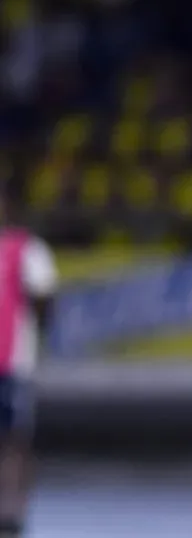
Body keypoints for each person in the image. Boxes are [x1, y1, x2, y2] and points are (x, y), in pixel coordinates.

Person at [0, 199, 58, 538]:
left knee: (14, 439)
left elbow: (45, 296)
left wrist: (36, 339)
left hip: (13, 363)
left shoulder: (27, 249)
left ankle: (13, 511)